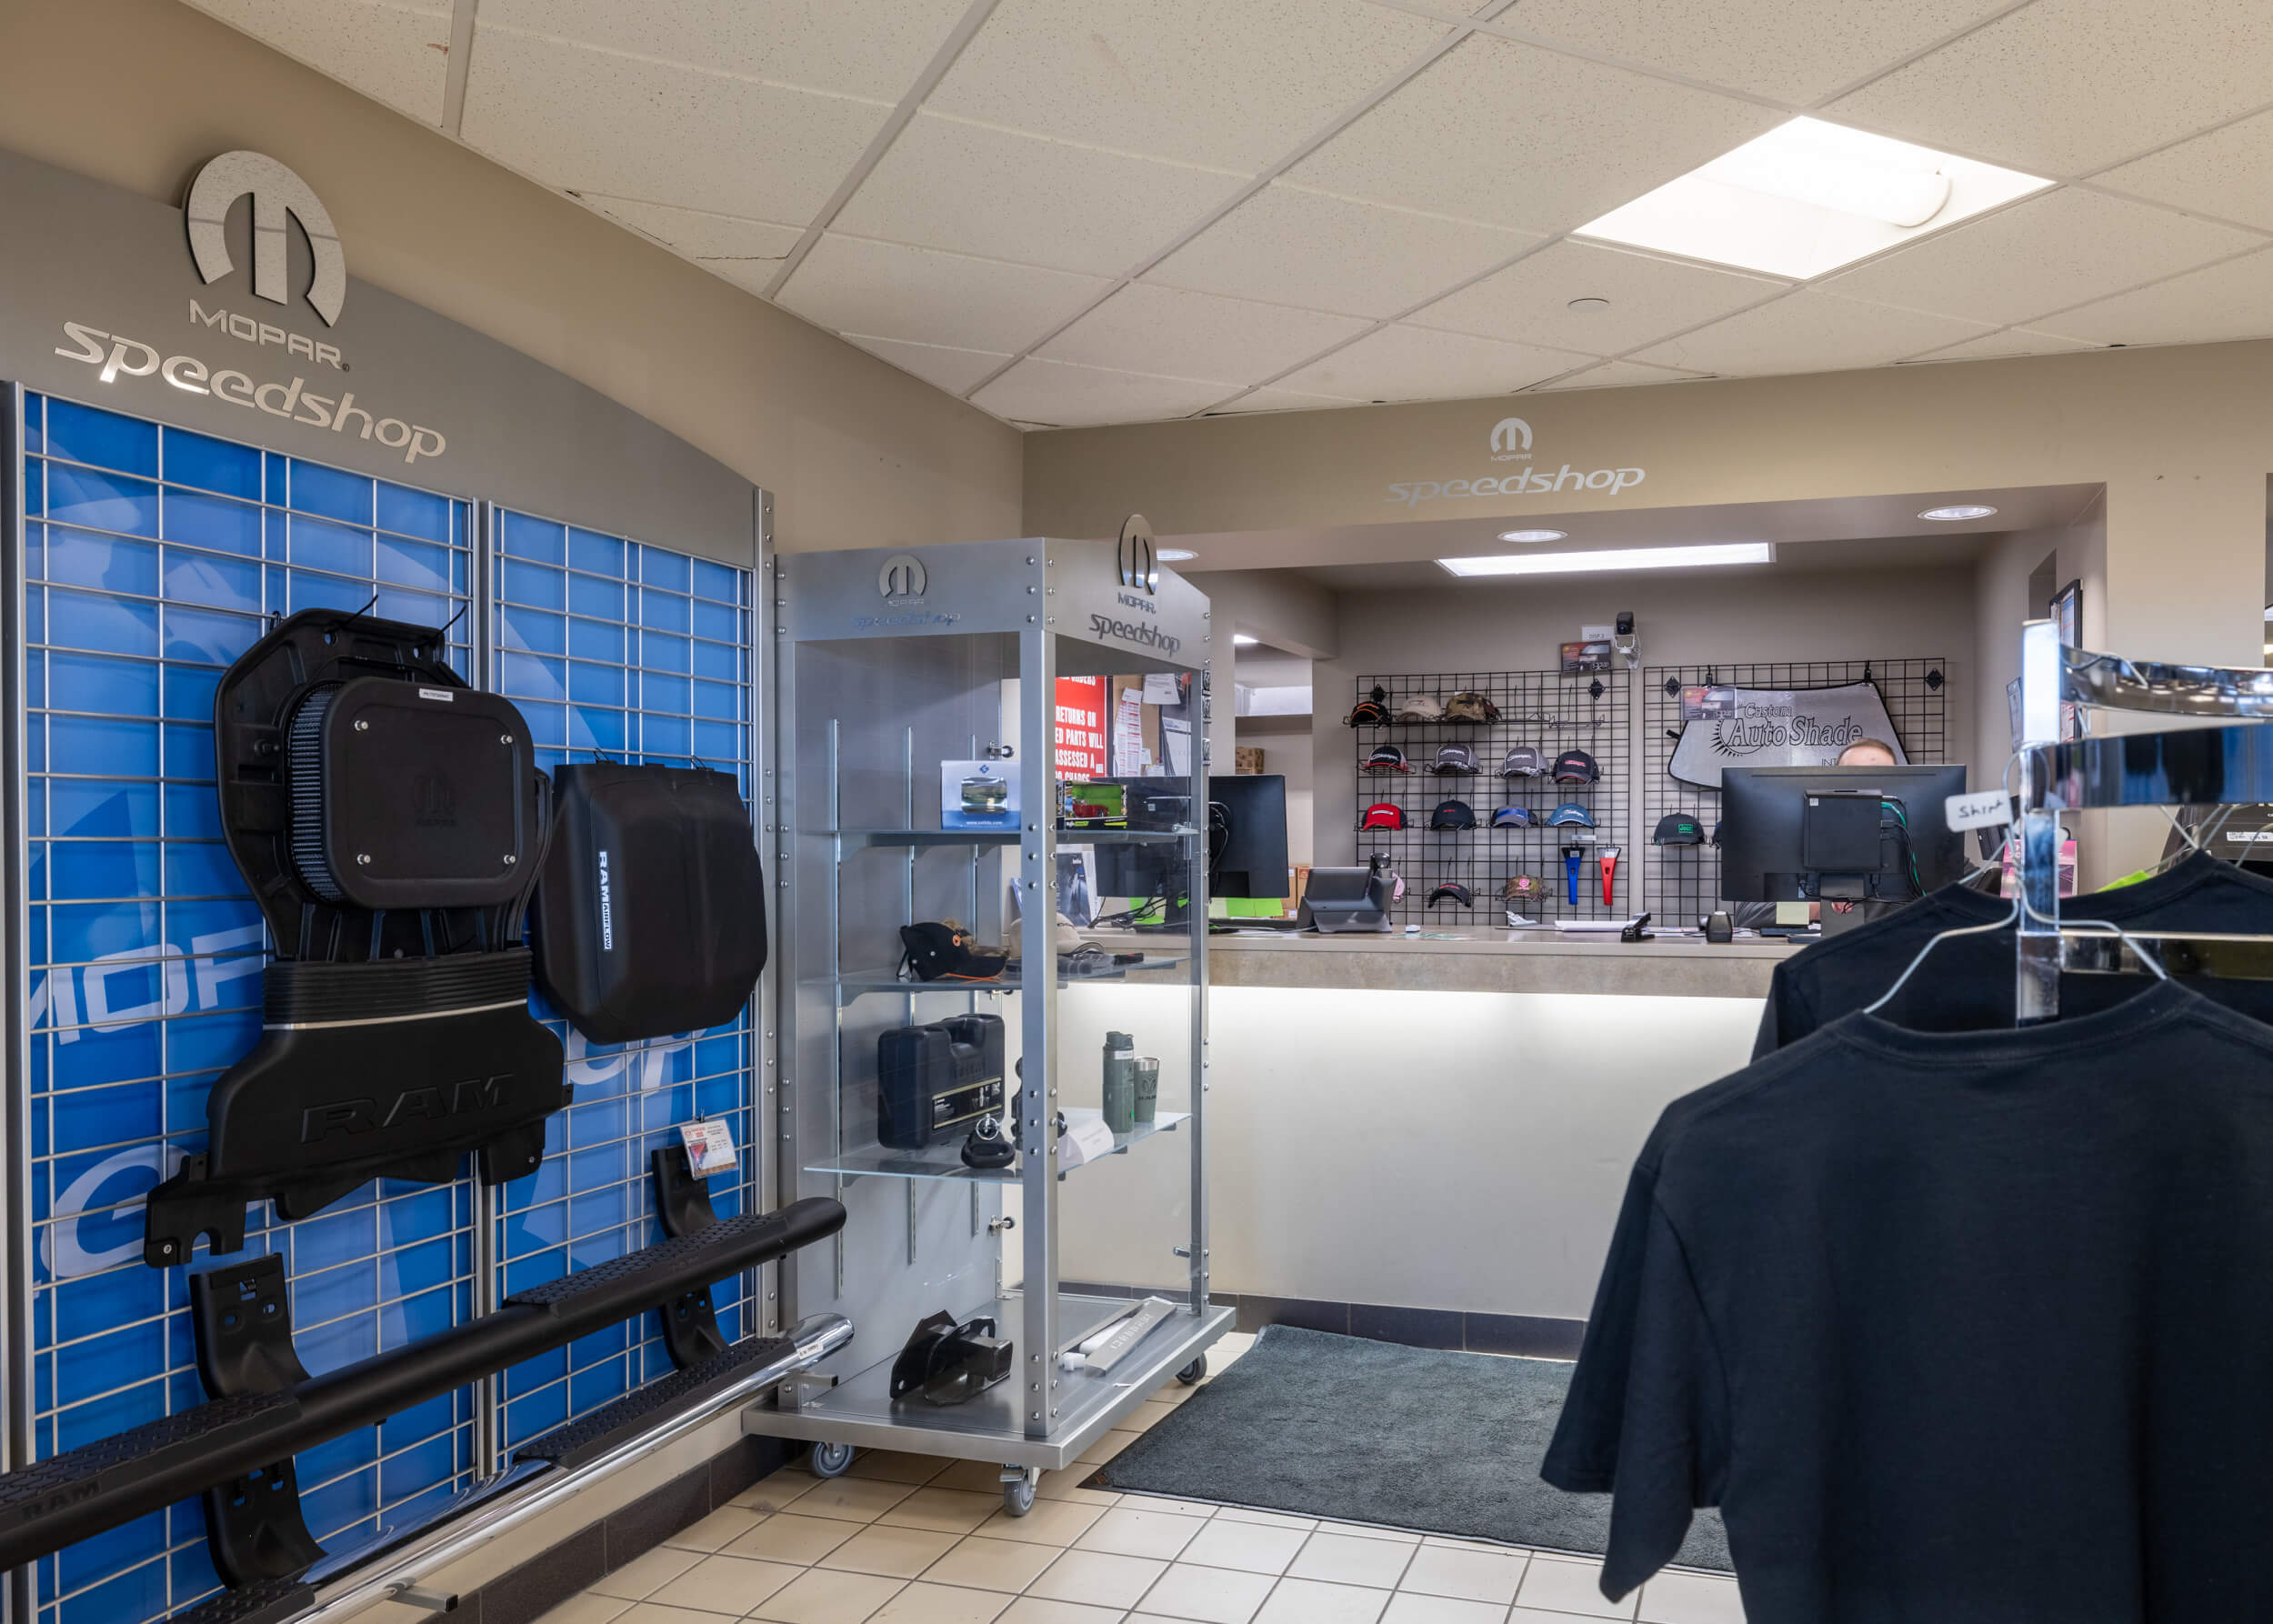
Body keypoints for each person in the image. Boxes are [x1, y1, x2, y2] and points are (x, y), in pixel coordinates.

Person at [1728, 738, 1904, 930]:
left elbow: (1927, 912)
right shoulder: (1792, 836)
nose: (1866, 788)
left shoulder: (1909, 847)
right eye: (1853, 776)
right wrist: (1815, 910)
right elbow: (1748, 915)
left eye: (1878, 777)